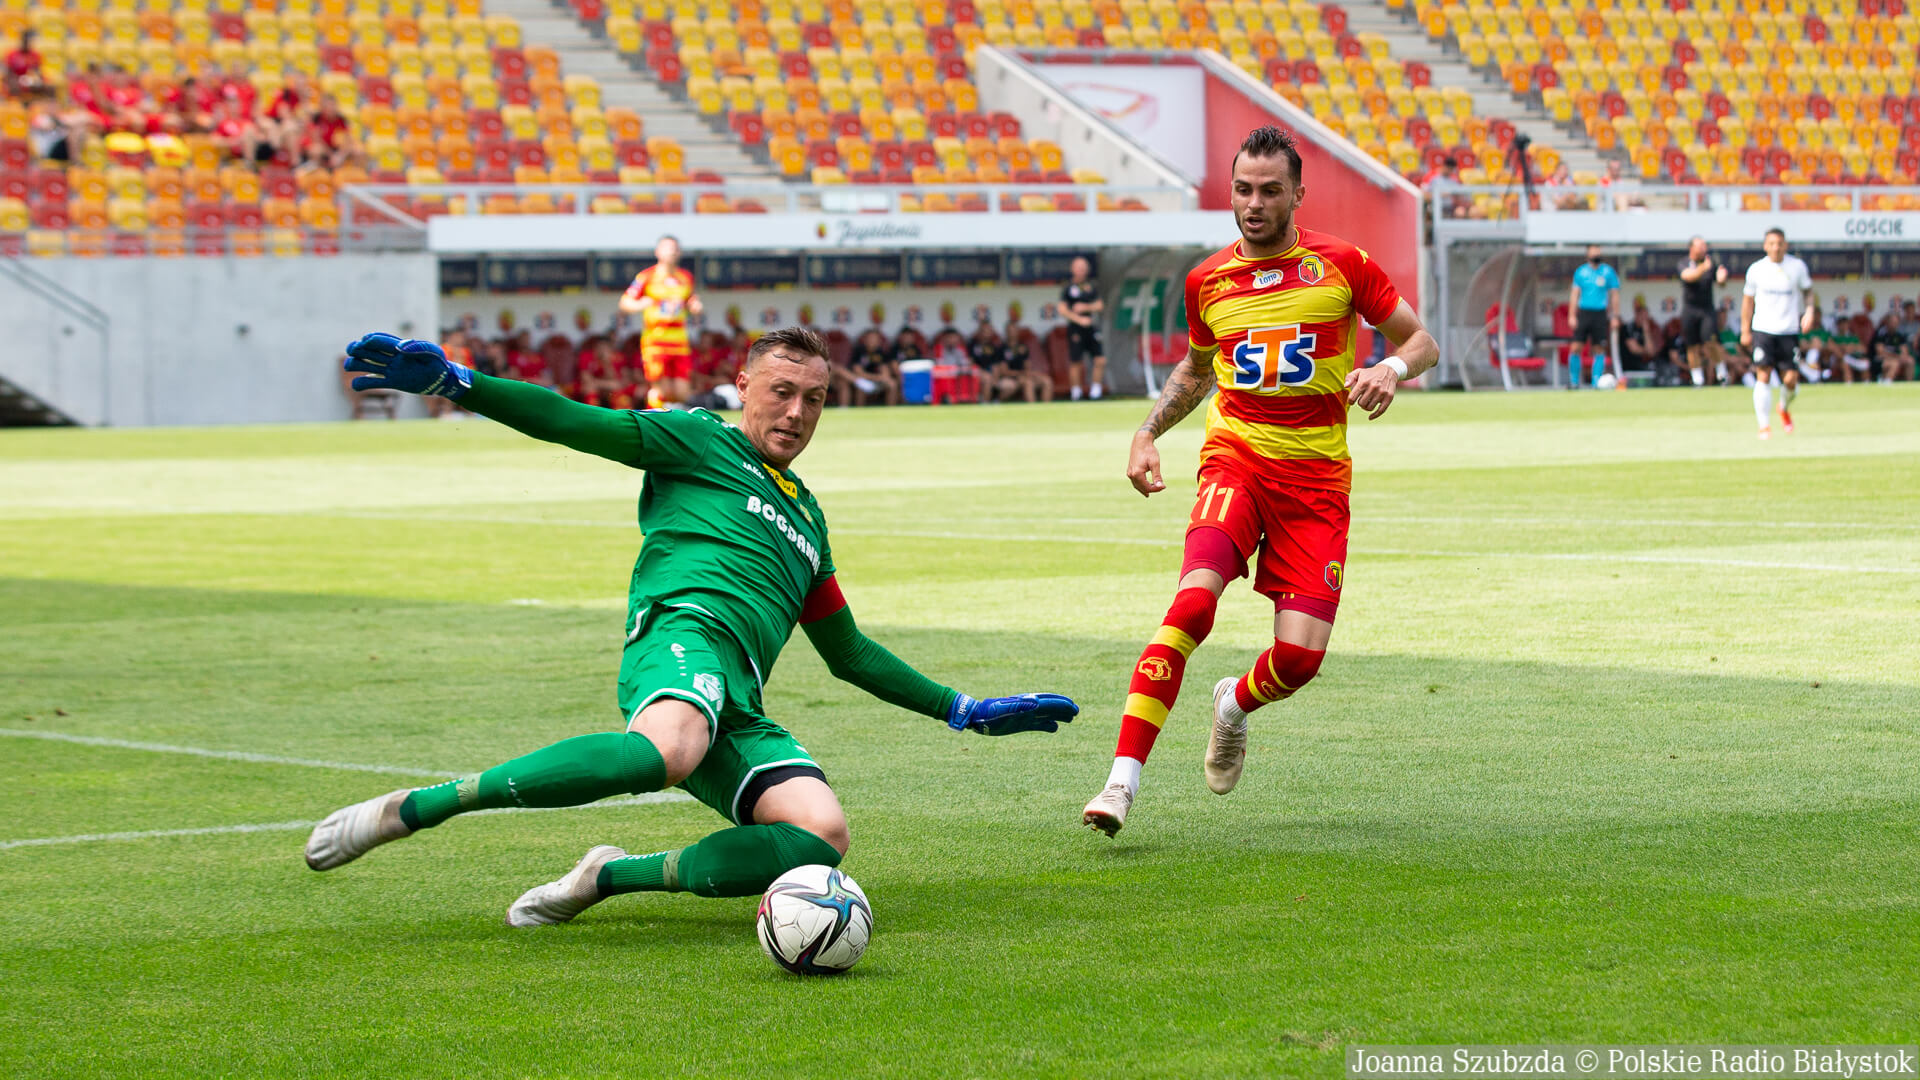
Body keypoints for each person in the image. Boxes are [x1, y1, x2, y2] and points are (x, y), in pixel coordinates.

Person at [318, 329, 1078, 923]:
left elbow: (847, 652)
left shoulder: (809, 520)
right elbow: (574, 422)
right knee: (669, 749)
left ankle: (607, 876)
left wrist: (962, 709)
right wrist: (459, 383)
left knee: (820, 838)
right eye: (782, 392)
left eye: (814, 400)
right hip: (683, 636)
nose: (796, 414)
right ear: (744, 386)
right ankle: (416, 808)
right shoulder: (698, 438)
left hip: (738, 700)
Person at [1080, 125, 1438, 837]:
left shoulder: (1342, 265)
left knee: (1299, 659)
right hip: (1235, 463)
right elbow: (1197, 369)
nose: (1254, 203)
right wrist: (1147, 432)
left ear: (1298, 194)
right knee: (1191, 606)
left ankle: (1232, 706)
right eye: (1243, 189)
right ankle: (1120, 782)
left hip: (1316, 484)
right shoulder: (1207, 280)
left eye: (1270, 191)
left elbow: (1420, 341)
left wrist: (1389, 368)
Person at [1740, 227, 1816, 439]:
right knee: (1763, 374)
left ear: (1785, 245)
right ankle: (1764, 426)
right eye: (1772, 244)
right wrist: (1745, 330)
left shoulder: (1797, 267)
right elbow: (1747, 302)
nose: (1776, 247)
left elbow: (1808, 292)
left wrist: (1809, 311)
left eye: (1779, 244)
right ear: (1765, 246)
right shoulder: (1756, 269)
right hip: (1763, 329)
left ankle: (1783, 407)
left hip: (1788, 330)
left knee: (1790, 380)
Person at [620, 235, 702, 408]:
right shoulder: (646, 276)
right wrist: (641, 303)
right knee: (660, 390)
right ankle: (654, 418)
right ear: (657, 252)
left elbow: (690, 299)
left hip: (679, 342)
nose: (672, 252)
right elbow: (625, 302)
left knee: (682, 392)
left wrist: (695, 305)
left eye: (675, 249)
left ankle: (671, 416)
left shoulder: (686, 277)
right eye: (668, 248)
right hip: (655, 341)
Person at [1677, 236, 1730, 387]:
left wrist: (1722, 278)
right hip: (1690, 309)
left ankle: (1722, 374)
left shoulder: (1711, 263)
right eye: (1700, 246)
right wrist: (1703, 268)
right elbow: (1688, 276)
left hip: (1707, 310)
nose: (1703, 249)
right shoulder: (1684, 263)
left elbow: (1721, 282)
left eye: (1704, 246)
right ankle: (1697, 379)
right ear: (1691, 248)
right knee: (1692, 346)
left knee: (1711, 342)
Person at [1567, 244, 1619, 389]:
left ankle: (1596, 382)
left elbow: (1614, 294)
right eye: (1593, 252)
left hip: (1600, 314)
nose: (1596, 255)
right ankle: (1574, 382)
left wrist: (1615, 316)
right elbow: (1574, 294)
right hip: (1584, 313)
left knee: (1599, 348)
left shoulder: (1608, 272)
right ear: (1588, 255)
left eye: (1598, 252)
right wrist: (1572, 315)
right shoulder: (1581, 272)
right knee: (1576, 347)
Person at [1061, 256, 1106, 400]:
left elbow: (1099, 305)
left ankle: (1095, 392)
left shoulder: (1091, 286)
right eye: (1078, 268)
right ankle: (1076, 393)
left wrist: (1086, 307)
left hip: (1091, 327)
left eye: (1083, 268)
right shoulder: (1068, 288)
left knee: (1100, 359)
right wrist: (1079, 319)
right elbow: (1062, 309)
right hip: (1076, 329)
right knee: (1076, 361)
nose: (1081, 270)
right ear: (1073, 269)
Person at [1873, 311, 1915, 383]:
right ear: (1887, 322)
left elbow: (1904, 350)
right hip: (1880, 360)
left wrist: (1903, 356)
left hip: (1896, 358)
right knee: (1894, 363)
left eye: (1896, 322)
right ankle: (1886, 382)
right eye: (1892, 322)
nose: (1894, 324)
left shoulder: (1899, 335)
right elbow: (1880, 353)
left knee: (1910, 361)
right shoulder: (1881, 333)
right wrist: (1896, 357)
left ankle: (1909, 384)